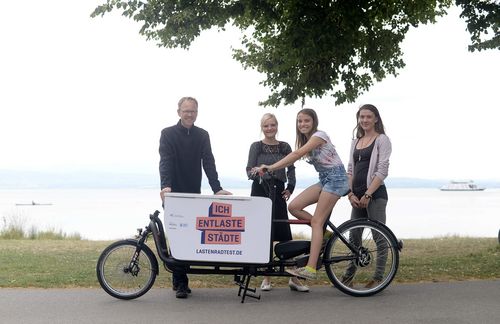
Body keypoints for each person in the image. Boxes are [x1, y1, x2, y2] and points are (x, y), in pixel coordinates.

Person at [255, 108, 349, 281]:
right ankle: (326, 234)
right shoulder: (306, 140)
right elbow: (297, 155)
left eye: (306, 120)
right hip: (325, 179)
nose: (303, 124)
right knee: (294, 207)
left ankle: (311, 269)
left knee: (316, 221)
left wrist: (271, 167)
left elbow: (296, 154)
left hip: (336, 179)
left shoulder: (319, 136)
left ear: (314, 122)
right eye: (300, 121)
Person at [159, 96, 232, 299]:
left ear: (197, 113)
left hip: (193, 194)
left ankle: (179, 279)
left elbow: (208, 161)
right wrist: (165, 186)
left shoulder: (202, 135)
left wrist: (216, 188)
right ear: (179, 112)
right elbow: (165, 161)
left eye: (193, 111)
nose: (189, 114)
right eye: (186, 110)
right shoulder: (167, 134)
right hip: (172, 193)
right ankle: (181, 282)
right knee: (177, 236)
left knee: (189, 237)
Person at [246, 113, 309, 293]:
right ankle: (266, 278)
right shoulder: (256, 146)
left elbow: (291, 168)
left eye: (272, 125)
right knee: (264, 234)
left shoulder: (285, 146)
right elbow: (249, 171)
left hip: (279, 190)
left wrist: (290, 187)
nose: (269, 129)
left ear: (277, 126)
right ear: (262, 128)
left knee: (284, 234)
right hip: (260, 190)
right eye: (266, 126)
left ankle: (294, 278)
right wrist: (260, 173)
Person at [345, 104, 391, 288]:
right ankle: (348, 277)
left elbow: (382, 170)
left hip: (375, 195)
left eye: (368, 117)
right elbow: (350, 169)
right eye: (361, 117)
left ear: (376, 119)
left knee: (379, 236)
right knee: (354, 237)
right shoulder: (355, 142)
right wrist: (349, 193)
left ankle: (378, 278)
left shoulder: (382, 140)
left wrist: (368, 193)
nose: (364, 120)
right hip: (357, 197)